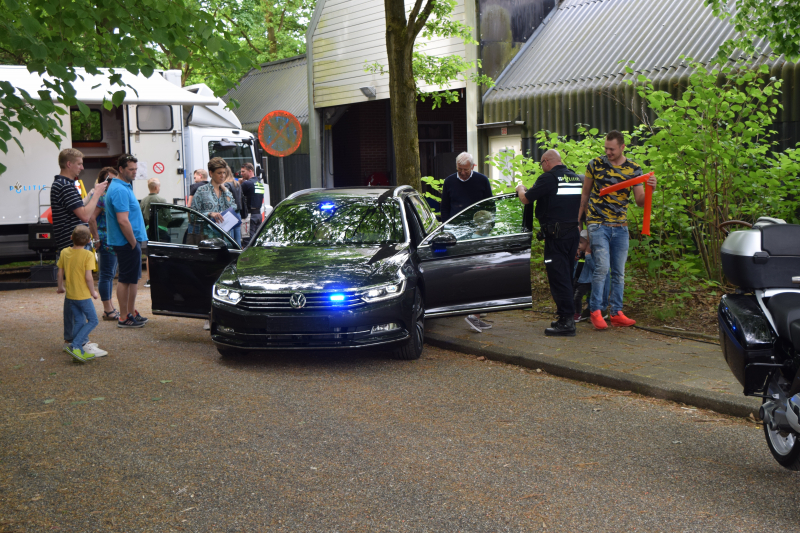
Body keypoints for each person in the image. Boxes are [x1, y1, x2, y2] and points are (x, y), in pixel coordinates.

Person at [577, 130, 657, 330]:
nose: (608, 152)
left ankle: (617, 313)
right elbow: (584, 194)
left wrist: (650, 190)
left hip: (620, 227)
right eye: (606, 148)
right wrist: (579, 220)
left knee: (619, 272)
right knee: (602, 267)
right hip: (597, 224)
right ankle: (596, 310)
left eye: (611, 149)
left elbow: (639, 202)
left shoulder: (634, 169)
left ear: (622, 147)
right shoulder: (595, 164)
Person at [515, 149, 583, 336]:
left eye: (541, 164)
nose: (541, 167)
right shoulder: (575, 178)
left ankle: (567, 322)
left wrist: (520, 188)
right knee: (566, 276)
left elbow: (526, 199)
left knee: (558, 278)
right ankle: (564, 317)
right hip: (572, 235)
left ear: (546, 161)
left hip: (556, 237)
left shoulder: (548, 178)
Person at [51, 148, 108, 349]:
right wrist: (97, 194)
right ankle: (79, 341)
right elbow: (84, 216)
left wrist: (92, 195)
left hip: (66, 243)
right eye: (80, 164)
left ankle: (71, 337)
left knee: (71, 294)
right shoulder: (66, 186)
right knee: (79, 293)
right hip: (72, 244)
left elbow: (79, 210)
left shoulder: (60, 183)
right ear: (69, 164)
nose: (82, 167)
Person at [440, 152, 494, 333]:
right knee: (463, 270)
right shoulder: (449, 182)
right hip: (456, 232)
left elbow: (490, 206)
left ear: (473, 167)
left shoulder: (482, 180)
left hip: (478, 231)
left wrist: (488, 226)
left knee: (479, 270)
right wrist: (446, 230)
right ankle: (471, 311)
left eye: (466, 170)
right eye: (459, 170)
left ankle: (475, 311)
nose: (462, 173)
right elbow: (444, 209)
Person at [105, 154, 149, 328]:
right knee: (125, 279)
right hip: (126, 241)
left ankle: (130, 312)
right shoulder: (119, 189)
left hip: (129, 241)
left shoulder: (123, 186)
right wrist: (132, 242)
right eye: (131, 169)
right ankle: (124, 316)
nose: (134, 172)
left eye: (136, 169)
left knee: (132, 279)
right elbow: (123, 220)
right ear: (121, 169)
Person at [193, 157, 236, 331]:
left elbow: (234, 209)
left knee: (224, 277)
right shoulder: (202, 191)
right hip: (208, 239)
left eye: (224, 173)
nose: (222, 176)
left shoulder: (227, 190)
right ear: (210, 173)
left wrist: (226, 193)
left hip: (226, 239)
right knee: (209, 276)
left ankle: (223, 314)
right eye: (219, 173)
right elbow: (193, 214)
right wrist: (209, 213)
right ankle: (207, 314)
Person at [57, 225, 103, 362]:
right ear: (89, 241)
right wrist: (93, 291)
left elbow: (60, 273)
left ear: (71, 238)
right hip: (83, 295)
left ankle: (76, 349)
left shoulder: (64, 252)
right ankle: (76, 344)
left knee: (79, 320)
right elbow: (88, 277)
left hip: (70, 295)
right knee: (93, 320)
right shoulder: (88, 255)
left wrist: (60, 287)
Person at [89, 167, 120, 321]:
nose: (114, 183)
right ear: (104, 181)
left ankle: (111, 307)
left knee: (109, 275)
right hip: (105, 239)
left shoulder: (108, 196)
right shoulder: (101, 197)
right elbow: (91, 218)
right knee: (106, 275)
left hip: (111, 239)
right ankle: (107, 310)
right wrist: (96, 238)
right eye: (111, 180)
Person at [572, 230, 610, 322]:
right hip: (578, 280)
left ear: (588, 244)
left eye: (581, 242)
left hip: (587, 281)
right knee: (572, 295)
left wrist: (588, 256)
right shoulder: (579, 254)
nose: (578, 245)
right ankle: (574, 312)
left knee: (578, 297)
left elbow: (595, 269)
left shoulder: (592, 256)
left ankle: (579, 313)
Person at [140, 177, 169, 288]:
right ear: (157, 187)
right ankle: (162, 277)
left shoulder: (143, 200)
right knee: (163, 253)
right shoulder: (161, 200)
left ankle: (149, 279)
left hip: (148, 229)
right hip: (161, 229)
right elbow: (168, 216)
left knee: (149, 254)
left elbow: (141, 216)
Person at [240, 163, 264, 235]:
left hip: (250, 216)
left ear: (250, 171)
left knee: (247, 240)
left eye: (243, 171)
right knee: (256, 239)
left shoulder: (247, 184)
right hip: (258, 215)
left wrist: (239, 183)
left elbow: (236, 193)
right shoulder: (259, 183)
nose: (241, 173)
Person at [187, 169, 209, 245]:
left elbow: (189, 205)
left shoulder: (195, 186)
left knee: (194, 243)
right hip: (210, 220)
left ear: (200, 175)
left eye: (195, 178)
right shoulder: (212, 186)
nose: (195, 180)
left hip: (196, 219)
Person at [223, 165, 243, 246]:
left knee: (230, 238)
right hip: (237, 213)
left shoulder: (225, 185)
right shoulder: (237, 183)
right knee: (238, 239)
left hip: (229, 213)